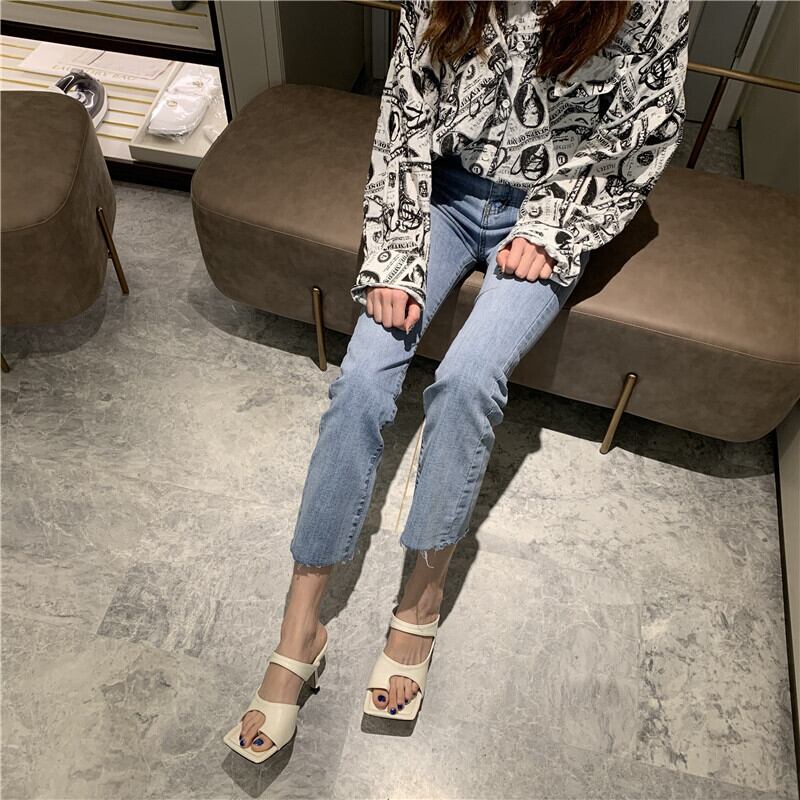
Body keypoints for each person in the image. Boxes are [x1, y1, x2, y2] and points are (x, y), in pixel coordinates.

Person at [224, 0, 689, 762]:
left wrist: (554, 228)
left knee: (470, 380)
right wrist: (394, 253)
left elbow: (649, 126)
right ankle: (299, 627)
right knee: (362, 379)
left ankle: (422, 598)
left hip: (549, 207)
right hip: (441, 194)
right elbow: (406, 108)